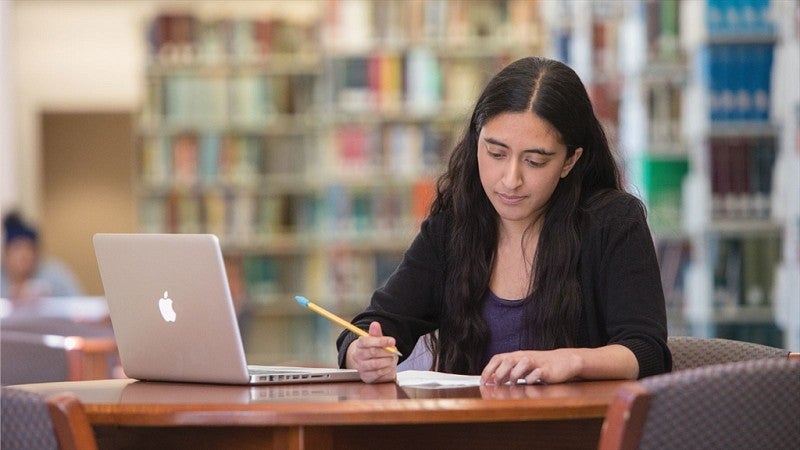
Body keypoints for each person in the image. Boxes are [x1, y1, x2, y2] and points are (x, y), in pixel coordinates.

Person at [336, 56, 672, 385]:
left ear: (570, 161)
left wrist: (570, 360)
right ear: (476, 142)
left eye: (535, 161)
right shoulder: (453, 228)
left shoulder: (612, 222)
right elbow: (376, 324)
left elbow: (647, 352)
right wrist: (362, 352)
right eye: (496, 154)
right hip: (472, 432)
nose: (511, 179)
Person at [1, 211, 83, 300]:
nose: (24, 255)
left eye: (29, 248)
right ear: (6, 252)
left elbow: (80, 307)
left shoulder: (56, 274)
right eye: (17, 248)